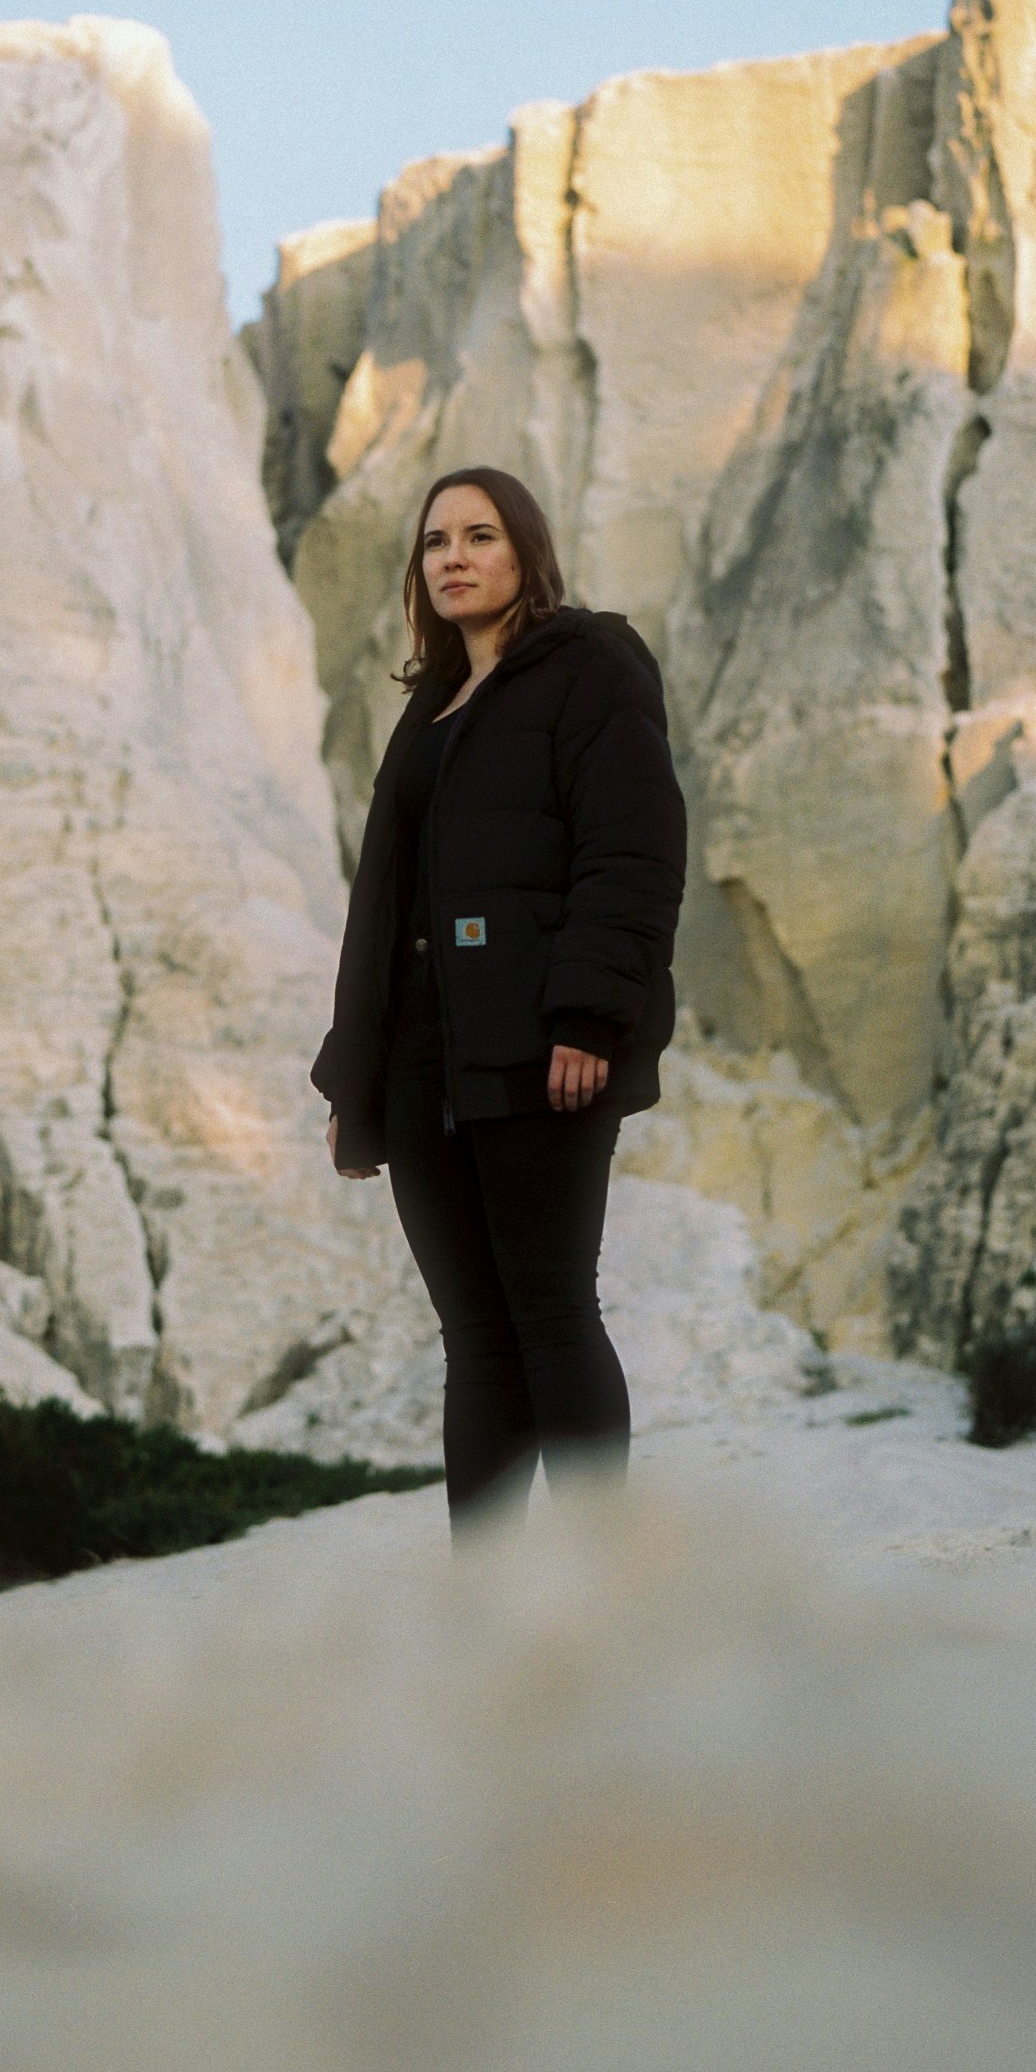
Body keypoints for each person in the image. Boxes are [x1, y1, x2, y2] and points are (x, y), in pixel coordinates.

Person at [311, 464, 687, 1532]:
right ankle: (483, 1611)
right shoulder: (430, 708)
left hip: (537, 1043)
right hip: (429, 1053)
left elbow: (634, 851)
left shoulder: (591, 665)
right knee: (473, 1338)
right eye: (436, 543)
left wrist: (587, 1015)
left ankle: (597, 1588)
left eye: (480, 536)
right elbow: (381, 909)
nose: (456, 559)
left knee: (553, 1315)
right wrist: (357, 1074)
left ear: (526, 550)